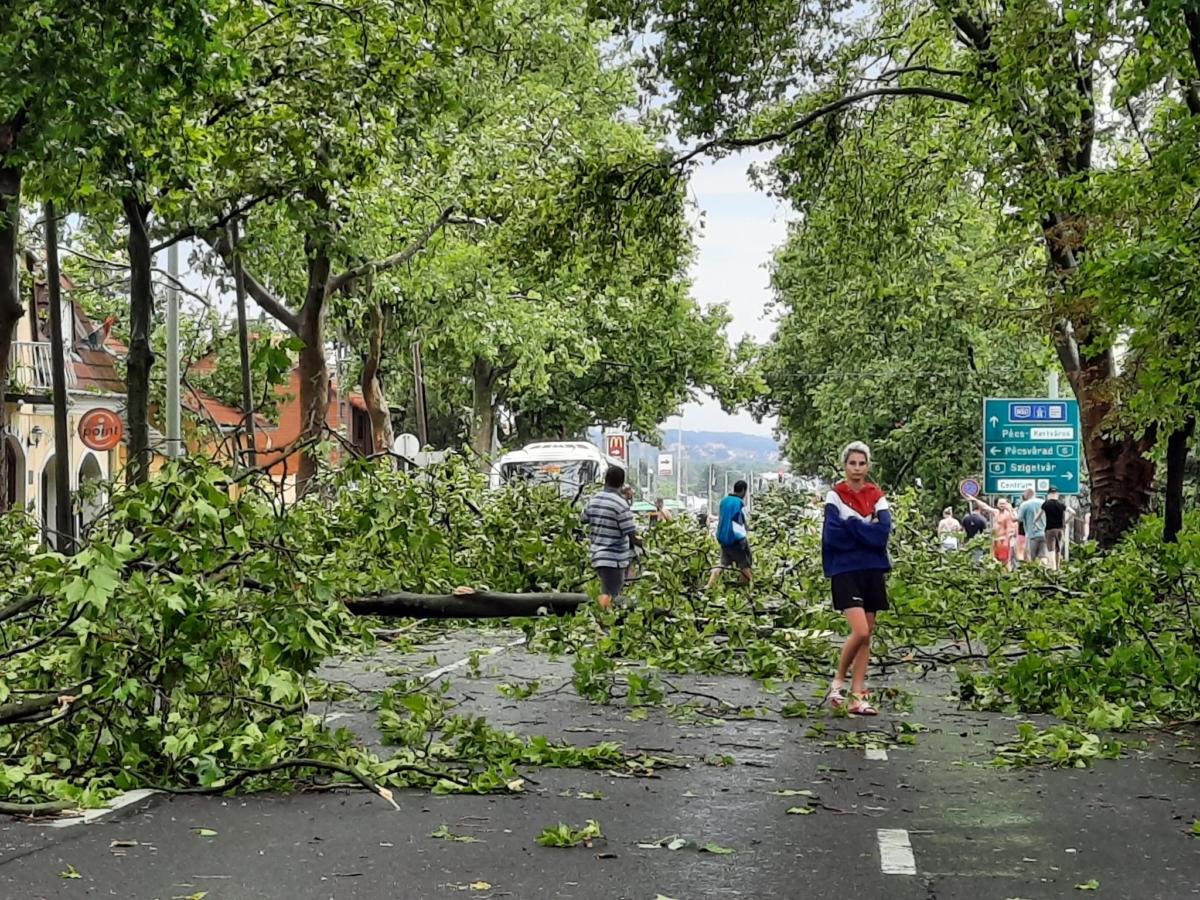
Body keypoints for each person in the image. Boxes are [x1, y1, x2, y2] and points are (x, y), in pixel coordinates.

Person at [822, 441, 891, 716]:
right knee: (859, 630)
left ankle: (857, 695)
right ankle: (838, 682)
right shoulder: (835, 495)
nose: (857, 469)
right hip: (844, 569)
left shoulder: (876, 494)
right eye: (853, 463)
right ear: (845, 465)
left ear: (868, 465)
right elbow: (833, 536)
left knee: (867, 636)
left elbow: (882, 533)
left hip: (872, 569)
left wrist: (852, 527)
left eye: (862, 463)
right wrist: (863, 527)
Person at [580, 467, 638, 609]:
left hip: (598, 555)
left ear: (605, 479)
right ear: (622, 483)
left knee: (605, 591)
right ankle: (605, 625)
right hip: (614, 559)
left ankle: (603, 621)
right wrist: (643, 543)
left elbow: (583, 519)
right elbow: (631, 533)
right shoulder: (620, 504)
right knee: (611, 595)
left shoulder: (593, 500)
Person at [706, 480, 752, 588]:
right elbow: (742, 520)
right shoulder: (739, 503)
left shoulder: (724, 501)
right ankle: (748, 588)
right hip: (736, 539)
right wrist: (747, 528)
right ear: (743, 490)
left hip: (723, 538)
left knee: (722, 564)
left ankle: (709, 585)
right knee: (745, 564)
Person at [970, 496, 1018, 568]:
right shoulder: (996, 512)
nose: (1002, 505)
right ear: (997, 504)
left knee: (1005, 561)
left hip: (1003, 540)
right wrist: (975, 499)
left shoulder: (1009, 514)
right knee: (994, 560)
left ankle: (1006, 575)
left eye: (1003, 503)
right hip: (995, 539)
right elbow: (985, 506)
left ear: (1006, 504)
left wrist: (1007, 540)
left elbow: (1011, 528)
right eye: (1000, 503)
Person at [1037, 486, 1071, 570]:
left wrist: (1035, 523)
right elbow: (1073, 512)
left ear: (1048, 494)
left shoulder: (1046, 504)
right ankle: (1058, 566)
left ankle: (1053, 567)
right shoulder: (1061, 504)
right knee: (1058, 548)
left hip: (1049, 530)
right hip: (1060, 529)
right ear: (1057, 494)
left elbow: (1038, 516)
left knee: (1051, 550)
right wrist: (1066, 521)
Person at [1016, 488, 1046, 565]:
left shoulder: (1025, 504)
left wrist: (1011, 512)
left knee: (1031, 557)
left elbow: (1019, 518)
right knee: (1043, 556)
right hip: (1044, 534)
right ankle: (1045, 571)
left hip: (1032, 535)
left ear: (1027, 494)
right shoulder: (1044, 502)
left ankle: (1033, 574)